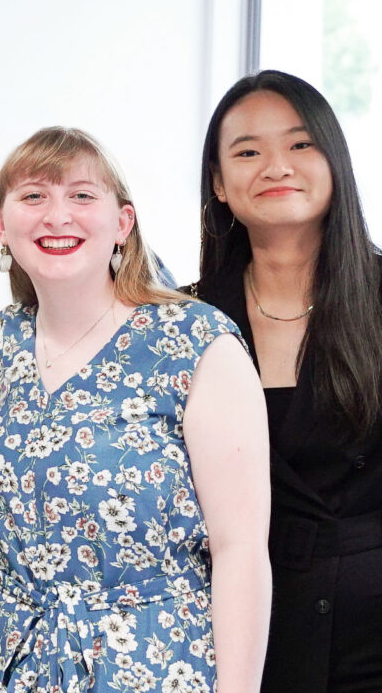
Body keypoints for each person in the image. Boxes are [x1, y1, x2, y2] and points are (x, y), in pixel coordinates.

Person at [0, 127, 271, 692]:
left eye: (82, 195)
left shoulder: (193, 341)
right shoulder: (1, 341)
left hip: (152, 663)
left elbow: (242, 549)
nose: (58, 216)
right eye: (34, 196)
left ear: (122, 224)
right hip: (10, 662)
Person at [193, 70, 382, 693]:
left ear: (335, 160)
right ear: (219, 184)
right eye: (247, 152)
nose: (276, 166)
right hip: (233, 639)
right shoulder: (179, 322)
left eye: (300, 145)